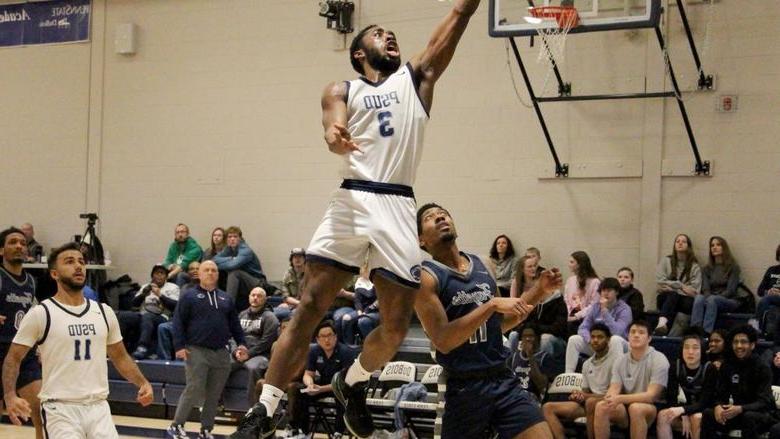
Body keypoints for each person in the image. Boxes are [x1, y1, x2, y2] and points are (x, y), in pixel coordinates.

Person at [231, 2, 486, 437]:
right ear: (358, 54)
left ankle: (351, 384)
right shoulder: (342, 88)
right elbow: (332, 126)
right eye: (378, 33)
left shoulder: (416, 78)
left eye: (391, 33)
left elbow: (458, 18)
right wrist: (334, 135)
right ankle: (266, 408)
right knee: (311, 303)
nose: (389, 36)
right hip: (352, 199)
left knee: (394, 326)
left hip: (399, 204)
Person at [413, 203, 562, 439]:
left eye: (444, 214)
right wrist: (490, 305)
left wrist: (539, 290)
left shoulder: (484, 265)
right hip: (464, 387)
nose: (440, 217)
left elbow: (502, 323)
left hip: (502, 378)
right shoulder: (426, 277)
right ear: (421, 240)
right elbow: (443, 340)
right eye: (430, 218)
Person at [2, 242, 153, 438]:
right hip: (60, 409)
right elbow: (13, 358)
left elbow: (120, 356)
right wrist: (10, 395)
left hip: (99, 407)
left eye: (81, 261)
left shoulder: (103, 311)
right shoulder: (41, 313)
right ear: (55, 274)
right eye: (70, 262)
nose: (78, 266)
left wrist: (143, 383)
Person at [168, 260, 248, 439]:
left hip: (221, 353)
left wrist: (242, 344)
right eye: (207, 270)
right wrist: (179, 346)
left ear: (218, 274)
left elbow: (235, 325)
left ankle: (206, 430)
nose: (210, 273)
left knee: (214, 393)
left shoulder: (226, 298)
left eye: (214, 270)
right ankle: (176, 425)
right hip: (196, 350)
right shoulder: (189, 296)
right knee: (194, 388)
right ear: (200, 274)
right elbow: (178, 322)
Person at [593, 320, 669, 439]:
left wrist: (619, 398)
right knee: (601, 406)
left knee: (636, 408)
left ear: (649, 338)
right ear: (628, 336)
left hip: (651, 408)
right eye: (632, 332)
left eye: (641, 332)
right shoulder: (620, 361)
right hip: (626, 405)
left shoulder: (659, 359)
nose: (636, 335)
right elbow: (614, 388)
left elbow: (651, 396)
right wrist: (610, 398)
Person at [542, 323, 620, 439]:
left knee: (592, 402)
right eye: (593, 337)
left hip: (611, 404)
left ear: (608, 340)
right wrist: (578, 396)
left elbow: (614, 395)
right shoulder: (587, 364)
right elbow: (585, 392)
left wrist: (586, 396)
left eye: (600, 337)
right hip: (589, 404)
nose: (595, 340)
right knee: (547, 407)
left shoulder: (616, 361)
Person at [0, 227, 42, 439]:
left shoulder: (32, 281)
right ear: (1, 250)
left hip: (23, 353)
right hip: (0, 349)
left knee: (42, 412)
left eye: (23, 243)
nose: (19, 246)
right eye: (13, 242)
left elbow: (36, 316)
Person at [700, 324, 778, 437]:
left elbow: (764, 402)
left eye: (743, 342)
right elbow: (720, 395)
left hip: (762, 415)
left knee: (749, 417)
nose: (739, 346)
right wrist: (718, 406)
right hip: (737, 413)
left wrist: (741, 409)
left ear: (752, 345)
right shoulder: (727, 365)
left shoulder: (762, 367)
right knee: (708, 414)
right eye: (735, 342)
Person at [290, 321, 357, 437]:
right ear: (317, 339)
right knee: (298, 390)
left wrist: (321, 389)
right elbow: (308, 373)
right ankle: (301, 431)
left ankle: (338, 432)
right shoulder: (314, 351)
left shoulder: (346, 352)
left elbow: (344, 382)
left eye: (329, 335)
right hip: (323, 384)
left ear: (335, 337)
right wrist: (310, 384)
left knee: (342, 394)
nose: (327, 340)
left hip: (342, 386)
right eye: (323, 336)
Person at [509, 255, 567, 370]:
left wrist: (536, 330)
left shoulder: (558, 300)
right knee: (513, 335)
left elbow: (558, 328)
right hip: (535, 336)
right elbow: (525, 323)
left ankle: (544, 370)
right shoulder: (533, 301)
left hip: (556, 340)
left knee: (545, 338)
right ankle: (513, 368)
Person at [656, 330, 716, 439]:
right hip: (682, 410)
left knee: (696, 418)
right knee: (663, 415)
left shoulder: (709, 368)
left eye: (695, 348)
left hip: (700, 412)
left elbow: (704, 402)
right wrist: (683, 414)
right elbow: (671, 398)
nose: (690, 351)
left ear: (702, 350)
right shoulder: (676, 366)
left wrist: (684, 411)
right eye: (686, 347)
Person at [564, 278, 630, 373]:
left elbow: (618, 332)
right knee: (574, 339)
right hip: (599, 343)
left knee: (615, 339)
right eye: (603, 290)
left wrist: (605, 312)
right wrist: (590, 339)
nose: (605, 293)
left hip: (620, 346)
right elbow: (583, 328)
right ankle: (568, 375)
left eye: (609, 290)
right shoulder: (595, 307)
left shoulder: (624, 309)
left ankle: (616, 379)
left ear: (617, 292)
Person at [232, 287, 279, 406]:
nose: (255, 298)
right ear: (249, 297)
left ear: (265, 299)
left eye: (259, 296)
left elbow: (266, 342)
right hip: (241, 352)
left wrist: (249, 354)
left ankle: (253, 408)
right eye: (253, 295)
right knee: (220, 364)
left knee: (253, 368)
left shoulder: (270, 317)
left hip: (260, 355)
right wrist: (235, 351)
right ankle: (218, 403)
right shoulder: (241, 315)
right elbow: (233, 336)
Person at [122, 264, 180, 359]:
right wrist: (143, 294)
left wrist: (160, 295)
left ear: (166, 276)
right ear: (152, 275)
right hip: (142, 315)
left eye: (162, 273)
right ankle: (120, 348)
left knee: (148, 316)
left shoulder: (173, 288)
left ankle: (142, 347)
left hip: (163, 317)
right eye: (157, 273)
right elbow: (134, 304)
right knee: (124, 316)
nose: (159, 276)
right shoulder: (146, 286)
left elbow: (175, 306)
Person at [691, 236, 743, 334]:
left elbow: (731, 290)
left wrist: (713, 298)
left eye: (718, 245)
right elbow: (706, 289)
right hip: (711, 298)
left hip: (729, 300)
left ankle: (707, 332)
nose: (714, 247)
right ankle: (695, 331)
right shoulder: (706, 269)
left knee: (712, 299)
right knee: (698, 298)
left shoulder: (733, 267)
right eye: (712, 245)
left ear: (724, 248)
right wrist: (708, 297)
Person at [655, 233, 702, 336]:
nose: (680, 243)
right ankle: (661, 324)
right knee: (673, 296)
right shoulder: (665, 261)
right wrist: (683, 287)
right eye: (677, 241)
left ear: (688, 246)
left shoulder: (695, 266)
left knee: (679, 303)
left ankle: (665, 330)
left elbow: (695, 292)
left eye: (683, 241)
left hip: (685, 301)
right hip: (666, 298)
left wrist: (678, 285)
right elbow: (660, 281)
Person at [212, 226, 268, 312]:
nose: (232, 239)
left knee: (234, 273)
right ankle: (214, 301)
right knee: (216, 271)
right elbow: (214, 260)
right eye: (230, 237)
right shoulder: (229, 249)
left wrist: (226, 262)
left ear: (240, 238)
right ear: (226, 239)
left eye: (235, 236)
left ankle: (228, 307)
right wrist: (230, 258)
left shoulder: (245, 250)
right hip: (242, 283)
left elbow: (232, 266)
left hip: (257, 282)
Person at [510, 324, 551, 401]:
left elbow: (541, 385)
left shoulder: (544, 357)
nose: (527, 339)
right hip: (515, 396)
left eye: (531, 336)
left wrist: (530, 355)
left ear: (537, 338)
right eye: (524, 336)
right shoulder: (514, 356)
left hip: (533, 397)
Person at [563, 251, 600, 335]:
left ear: (580, 264)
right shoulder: (570, 280)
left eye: (572, 262)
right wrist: (569, 314)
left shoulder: (594, 282)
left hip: (586, 318)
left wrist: (577, 316)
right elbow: (566, 301)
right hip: (570, 317)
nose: (569, 264)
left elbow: (594, 305)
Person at [756, 243, 780, 338]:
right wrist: (768, 292)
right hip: (770, 300)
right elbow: (760, 291)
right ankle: (766, 333)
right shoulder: (771, 270)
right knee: (771, 307)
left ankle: (756, 325)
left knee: (767, 299)